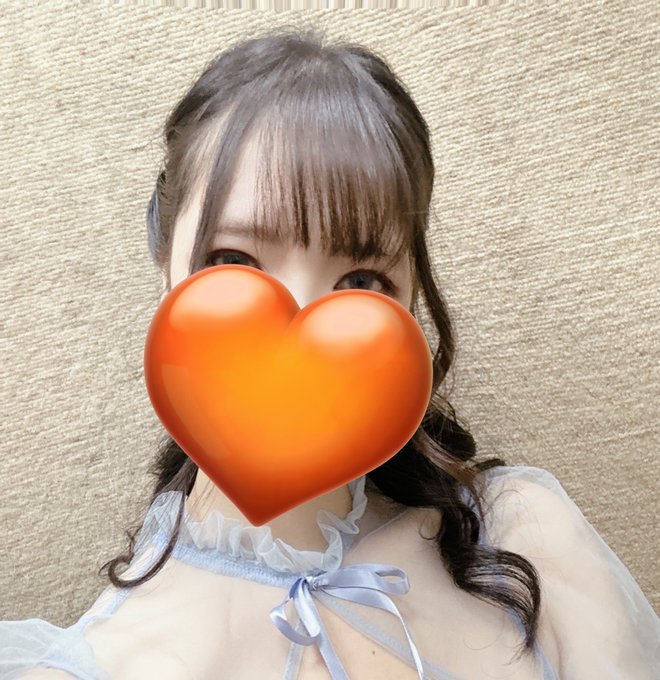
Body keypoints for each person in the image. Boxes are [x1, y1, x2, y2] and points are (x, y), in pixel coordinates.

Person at [1, 24, 658, 680]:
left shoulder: (523, 546)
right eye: (235, 261)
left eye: (361, 280)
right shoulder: (97, 666)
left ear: (409, 302)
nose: (299, 329)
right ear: (164, 265)